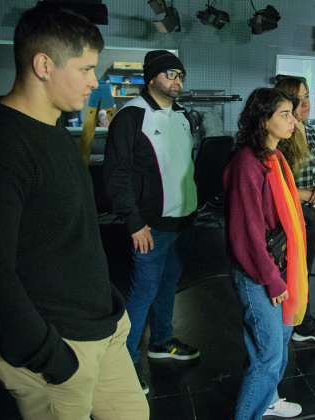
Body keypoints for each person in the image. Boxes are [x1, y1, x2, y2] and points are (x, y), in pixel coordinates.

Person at [0, 5, 149, 419]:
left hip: (103, 327)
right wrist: (53, 358)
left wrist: (110, 307)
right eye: (86, 69)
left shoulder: (54, 130)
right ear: (43, 65)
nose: (95, 81)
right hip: (56, 351)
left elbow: (67, 235)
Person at [103, 50, 199, 393]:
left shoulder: (184, 115)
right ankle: (124, 364)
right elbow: (116, 175)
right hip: (150, 226)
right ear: (151, 78)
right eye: (171, 74)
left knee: (167, 287)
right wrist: (133, 221)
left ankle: (160, 343)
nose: (178, 81)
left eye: (181, 75)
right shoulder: (131, 116)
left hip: (184, 221)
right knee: (143, 291)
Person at [224, 87, 308, 419]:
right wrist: (273, 280)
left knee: (272, 348)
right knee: (268, 356)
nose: (293, 119)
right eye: (284, 114)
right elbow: (246, 233)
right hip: (259, 273)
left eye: (292, 112)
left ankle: (269, 399)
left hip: (279, 265)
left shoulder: (273, 156)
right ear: (264, 120)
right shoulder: (248, 162)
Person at [274, 76, 315, 345]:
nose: (305, 103)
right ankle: (279, 327)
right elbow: (275, 183)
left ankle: (302, 323)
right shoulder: (279, 136)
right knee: (282, 274)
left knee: (304, 273)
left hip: (312, 216)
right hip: (286, 217)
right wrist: (309, 194)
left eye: (307, 96)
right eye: (298, 98)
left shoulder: (312, 132)